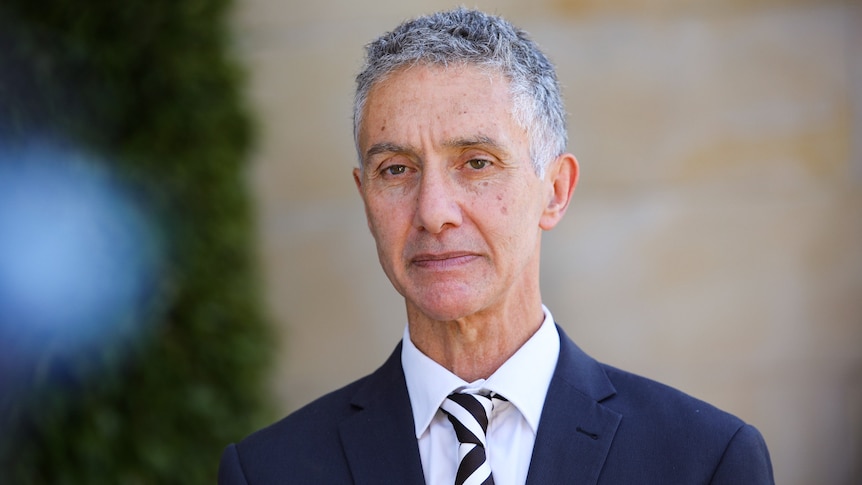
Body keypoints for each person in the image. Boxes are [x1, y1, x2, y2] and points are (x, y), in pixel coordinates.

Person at [219, 8, 774, 484]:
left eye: (477, 163)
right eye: (396, 169)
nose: (434, 212)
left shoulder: (702, 461)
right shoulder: (269, 470)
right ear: (366, 199)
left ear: (554, 192)